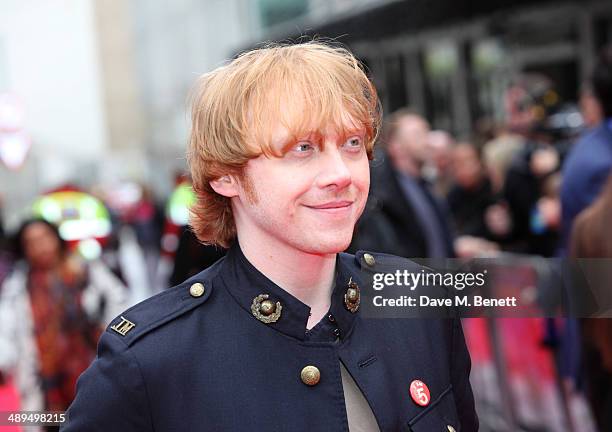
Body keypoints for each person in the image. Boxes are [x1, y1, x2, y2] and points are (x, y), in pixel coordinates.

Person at [62, 42, 478, 431]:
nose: (341, 175)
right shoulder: (148, 362)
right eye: (302, 148)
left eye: (352, 144)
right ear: (226, 175)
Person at [0, 219, 127, 430]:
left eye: (44, 238)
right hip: (45, 387)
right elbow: (6, 331)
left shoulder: (84, 270)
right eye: (31, 242)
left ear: (56, 238)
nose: (40, 247)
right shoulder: (17, 288)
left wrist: (112, 333)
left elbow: (119, 301)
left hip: (93, 369)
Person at [351, 109, 455, 259]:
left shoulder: (426, 187)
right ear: (396, 146)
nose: (427, 141)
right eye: (418, 134)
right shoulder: (379, 194)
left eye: (427, 132)